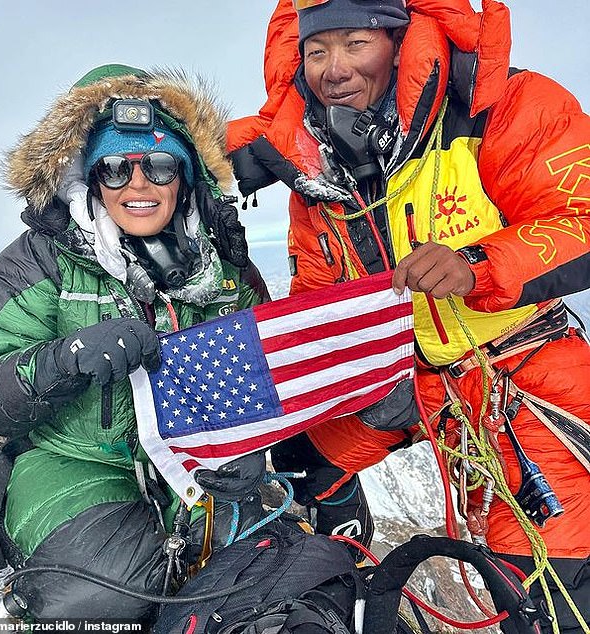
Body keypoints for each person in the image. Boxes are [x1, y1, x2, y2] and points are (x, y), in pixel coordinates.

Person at [226, 0, 590, 630]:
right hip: (408, 385)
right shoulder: (319, 176)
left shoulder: (502, 107)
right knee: (294, 468)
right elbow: (316, 299)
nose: (333, 69)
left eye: (356, 43)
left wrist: (478, 265)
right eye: (317, 51)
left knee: (545, 589)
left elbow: (579, 218)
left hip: (524, 379)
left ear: (400, 44)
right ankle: (332, 576)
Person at [0, 63, 271, 622]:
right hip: (73, 463)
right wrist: (64, 360)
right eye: (116, 169)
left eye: (158, 164)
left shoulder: (226, 269)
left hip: (198, 466)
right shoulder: (37, 261)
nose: (139, 184)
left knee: (262, 574)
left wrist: (248, 453)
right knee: (106, 592)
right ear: (90, 179)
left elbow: (268, 369)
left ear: (186, 175)